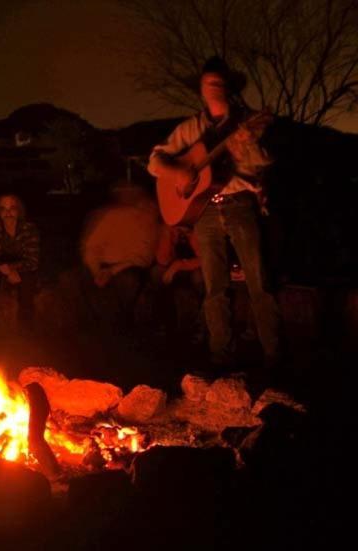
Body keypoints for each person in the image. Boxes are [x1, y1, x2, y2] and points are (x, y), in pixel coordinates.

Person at [148, 56, 280, 370]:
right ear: (201, 90)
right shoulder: (191, 128)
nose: (215, 87)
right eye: (209, 83)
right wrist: (179, 171)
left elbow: (263, 164)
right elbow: (155, 161)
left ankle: (275, 356)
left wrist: (248, 147)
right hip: (204, 211)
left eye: (220, 82)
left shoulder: (246, 123)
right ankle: (221, 357)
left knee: (259, 282)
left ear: (228, 87)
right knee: (214, 287)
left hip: (239, 205)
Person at [80, 183, 160, 334]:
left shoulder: (146, 217)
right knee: (78, 280)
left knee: (127, 281)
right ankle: (93, 329)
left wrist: (112, 271)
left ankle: (119, 328)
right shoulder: (109, 215)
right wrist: (96, 270)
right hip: (103, 265)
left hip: (129, 267)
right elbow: (91, 246)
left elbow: (143, 257)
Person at [0, 194, 39, 333]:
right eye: (3, 209)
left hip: (21, 267)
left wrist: (12, 269)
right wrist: (3, 270)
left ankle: (26, 329)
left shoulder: (30, 229)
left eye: (12, 208)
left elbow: (33, 260)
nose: (8, 213)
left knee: (28, 284)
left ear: (19, 211)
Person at [151, 224, 204, 339]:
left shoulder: (195, 229)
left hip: (192, 267)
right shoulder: (170, 229)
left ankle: (200, 325)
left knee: (198, 277)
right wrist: (169, 232)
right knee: (157, 272)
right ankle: (162, 322)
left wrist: (179, 265)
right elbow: (163, 260)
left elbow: (204, 258)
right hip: (176, 268)